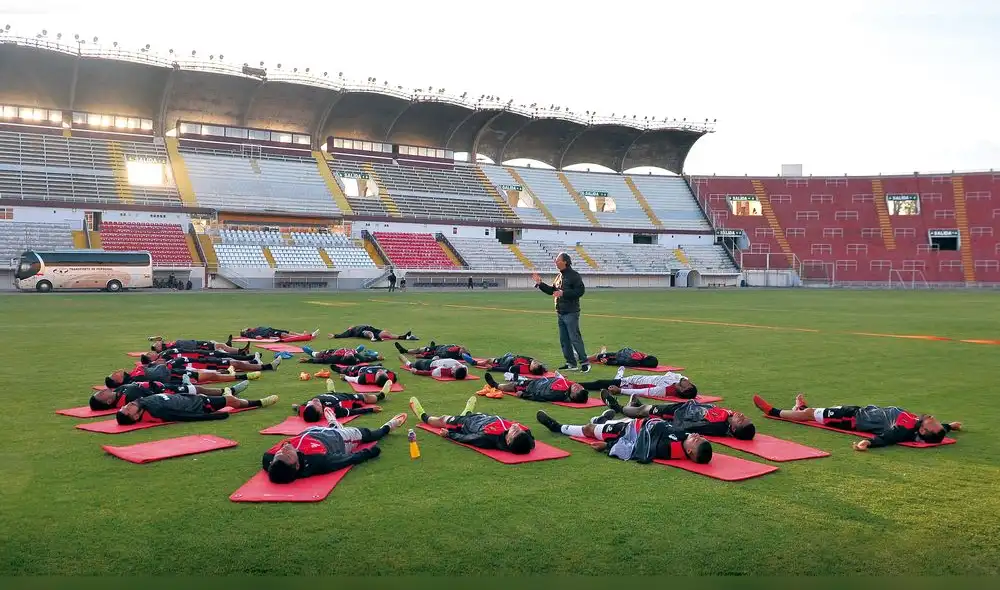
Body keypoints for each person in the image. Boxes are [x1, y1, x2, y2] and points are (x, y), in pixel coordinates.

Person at [753, 393, 962, 450]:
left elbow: (886, 438)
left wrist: (867, 443)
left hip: (851, 419)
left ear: (924, 433)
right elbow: (939, 430)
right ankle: (797, 409)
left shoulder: (905, 429)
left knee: (810, 413)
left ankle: (774, 412)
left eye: (932, 423)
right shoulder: (919, 425)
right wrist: (948, 426)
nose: (932, 418)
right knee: (815, 411)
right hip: (857, 411)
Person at [263, 409, 408, 484]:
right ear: (296, 466)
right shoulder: (318, 461)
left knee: (334, 427)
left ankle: (333, 422)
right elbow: (348, 459)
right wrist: (370, 453)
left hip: (311, 431)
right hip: (339, 439)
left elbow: (276, 461)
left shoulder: (269, 458)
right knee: (368, 434)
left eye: (279, 453)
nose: (285, 448)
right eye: (287, 454)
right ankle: (388, 426)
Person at [536, 411, 713, 464]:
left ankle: (557, 427)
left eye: (697, 440)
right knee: (604, 423)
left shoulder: (667, 448)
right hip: (638, 422)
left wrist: (608, 446)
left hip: (627, 431)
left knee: (590, 429)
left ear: (689, 451)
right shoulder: (685, 440)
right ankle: (603, 419)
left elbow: (637, 447)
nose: (696, 436)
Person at [408, 396, 535, 455]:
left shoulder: (488, 438)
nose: (517, 427)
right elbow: (530, 441)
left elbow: (468, 439)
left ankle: (424, 417)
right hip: (485, 417)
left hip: (465, 424)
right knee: (472, 414)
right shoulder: (526, 437)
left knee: (444, 419)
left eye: (515, 432)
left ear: (508, 441)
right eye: (520, 431)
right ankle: (468, 411)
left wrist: (449, 434)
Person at [602, 394, 756, 440]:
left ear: (734, 428)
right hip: (686, 407)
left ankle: (619, 408)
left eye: (741, 420)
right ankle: (633, 406)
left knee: (645, 410)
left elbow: (692, 426)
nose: (741, 415)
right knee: (648, 409)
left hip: (677, 413)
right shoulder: (728, 416)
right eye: (745, 417)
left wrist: (671, 420)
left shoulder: (719, 426)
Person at [532, 252, 589, 372]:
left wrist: (563, 293)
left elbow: (580, 291)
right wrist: (540, 284)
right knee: (564, 339)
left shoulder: (574, 275)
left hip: (571, 312)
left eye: (558, 260)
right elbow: (552, 291)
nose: (555, 262)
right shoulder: (559, 277)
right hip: (561, 312)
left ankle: (585, 363)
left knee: (574, 337)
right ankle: (571, 363)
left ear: (565, 262)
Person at [115, 391, 279, 425]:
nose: (128, 405)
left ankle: (231, 391)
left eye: (126, 406)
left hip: (189, 397)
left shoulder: (141, 403)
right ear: (135, 417)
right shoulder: (157, 412)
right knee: (230, 401)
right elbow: (183, 416)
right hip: (199, 406)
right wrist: (215, 416)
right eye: (127, 409)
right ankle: (259, 402)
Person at [90, 380, 250, 411]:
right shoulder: (128, 399)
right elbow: (151, 397)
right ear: (108, 401)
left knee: (197, 387)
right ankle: (230, 392)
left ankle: (227, 391)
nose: (103, 390)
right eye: (101, 394)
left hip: (164, 386)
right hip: (169, 393)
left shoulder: (120, 393)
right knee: (197, 389)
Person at [578, 366, 698, 399]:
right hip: (634, 378)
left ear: (682, 390)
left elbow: (642, 392)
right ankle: (619, 375)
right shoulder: (679, 379)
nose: (688, 381)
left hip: (628, 383)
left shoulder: (664, 390)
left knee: (599, 383)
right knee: (604, 382)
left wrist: (620, 390)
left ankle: (572, 385)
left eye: (689, 384)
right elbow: (682, 377)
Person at [292, 381, 387, 422]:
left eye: (311, 403)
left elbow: (298, 408)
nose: (314, 401)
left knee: (329, 394)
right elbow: (353, 412)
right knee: (364, 397)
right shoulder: (333, 411)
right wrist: (370, 410)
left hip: (330, 396)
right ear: (321, 412)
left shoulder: (305, 409)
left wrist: (295, 406)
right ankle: (381, 396)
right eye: (316, 404)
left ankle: (331, 391)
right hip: (346, 399)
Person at [482, 373, 589, 404]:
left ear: (573, 395)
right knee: (519, 380)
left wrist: (524, 395)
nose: (577, 386)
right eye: (579, 387)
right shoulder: (570, 386)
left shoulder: (557, 394)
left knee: (514, 385)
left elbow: (540, 397)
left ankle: (496, 385)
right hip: (541, 381)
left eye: (577, 389)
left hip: (532, 387)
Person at [148, 336, 248, 356]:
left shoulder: (165, 345)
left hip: (195, 343)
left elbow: (160, 338)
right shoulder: (167, 349)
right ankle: (240, 351)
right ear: (159, 349)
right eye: (156, 345)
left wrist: (152, 339)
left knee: (216, 344)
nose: (157, 343)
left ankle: (229, 346)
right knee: (219, 346)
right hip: (195, 347)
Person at [398, 353, 468, 380]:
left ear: (453, 372)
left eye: (456, 368)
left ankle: (406, 361)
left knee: (413, 364)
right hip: (438, 361)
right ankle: (433, 357)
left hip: (427, 365)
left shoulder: (443, 371)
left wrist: (416, 372)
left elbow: (428, 373)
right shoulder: (464, 368)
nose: (457, 365)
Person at [394, 341, 475, 363]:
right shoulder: (455, 347)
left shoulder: (456, 355)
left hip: (436, 352)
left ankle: (405, 351)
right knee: (420, 349)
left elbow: (438, 358)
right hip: (438, 347)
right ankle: (405, 350)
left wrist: (424, 357)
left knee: (422, 352)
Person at [475, 352, 547, 376]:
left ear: (532, 369)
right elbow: (542, 368)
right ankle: (506, 355)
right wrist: (544, 369)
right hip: (512, 358)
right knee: (508, 354)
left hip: (507, 362)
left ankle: (477, 363)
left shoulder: (521, 368)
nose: (535, 362)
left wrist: (492, 368)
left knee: (490, 360)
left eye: (535, 364)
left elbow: (507, 369)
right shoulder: (530, 363)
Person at [587, 346, 659, 369]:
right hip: (619, 355)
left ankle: (583, 359)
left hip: (617, 356)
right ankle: (602, 353)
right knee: (599, 356)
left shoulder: (635, 361)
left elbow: (620, 362)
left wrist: (608, 362)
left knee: (598, 356)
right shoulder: (640, 359)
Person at [299, 346, 382, 365]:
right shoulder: (357, 357)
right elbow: (367, 359)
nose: (348, 353)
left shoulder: (334, 358)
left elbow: (322, 360)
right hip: (352, 351)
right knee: (360, 348)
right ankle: (358, 349)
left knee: (319, 355)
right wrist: (377, 357)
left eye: (348, 354)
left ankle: (312, 352)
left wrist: (308, 360)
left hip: (332, 352)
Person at [331, 364, 398, 388]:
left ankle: (339, 369)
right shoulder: (392, 376)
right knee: (378, 366)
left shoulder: (365, 378)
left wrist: (345, 377)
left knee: (350, 370)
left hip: (360, 370)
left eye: (379, 373)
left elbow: (355, 379)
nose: (380, 371)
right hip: (373, 366)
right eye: (383, 372)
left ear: (375, 379)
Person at [329, 325, 418, 342]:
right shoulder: (351, 331)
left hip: (374, 329)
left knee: (386, 333)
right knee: (369, 333)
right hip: (363, 332)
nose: (350, 326)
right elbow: (344, 335)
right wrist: (335, 336)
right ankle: (373, 338)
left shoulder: (357, 325)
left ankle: (402, 337)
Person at [239, 327, 318, 340]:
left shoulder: (251, 330)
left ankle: (301, 335)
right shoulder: (249, 334)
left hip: (270, 329)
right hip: (269, 333)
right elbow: (256, 337)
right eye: (244, 329)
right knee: (283, 334)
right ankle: (306, 337)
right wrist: (257, 337)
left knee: (286, 331)